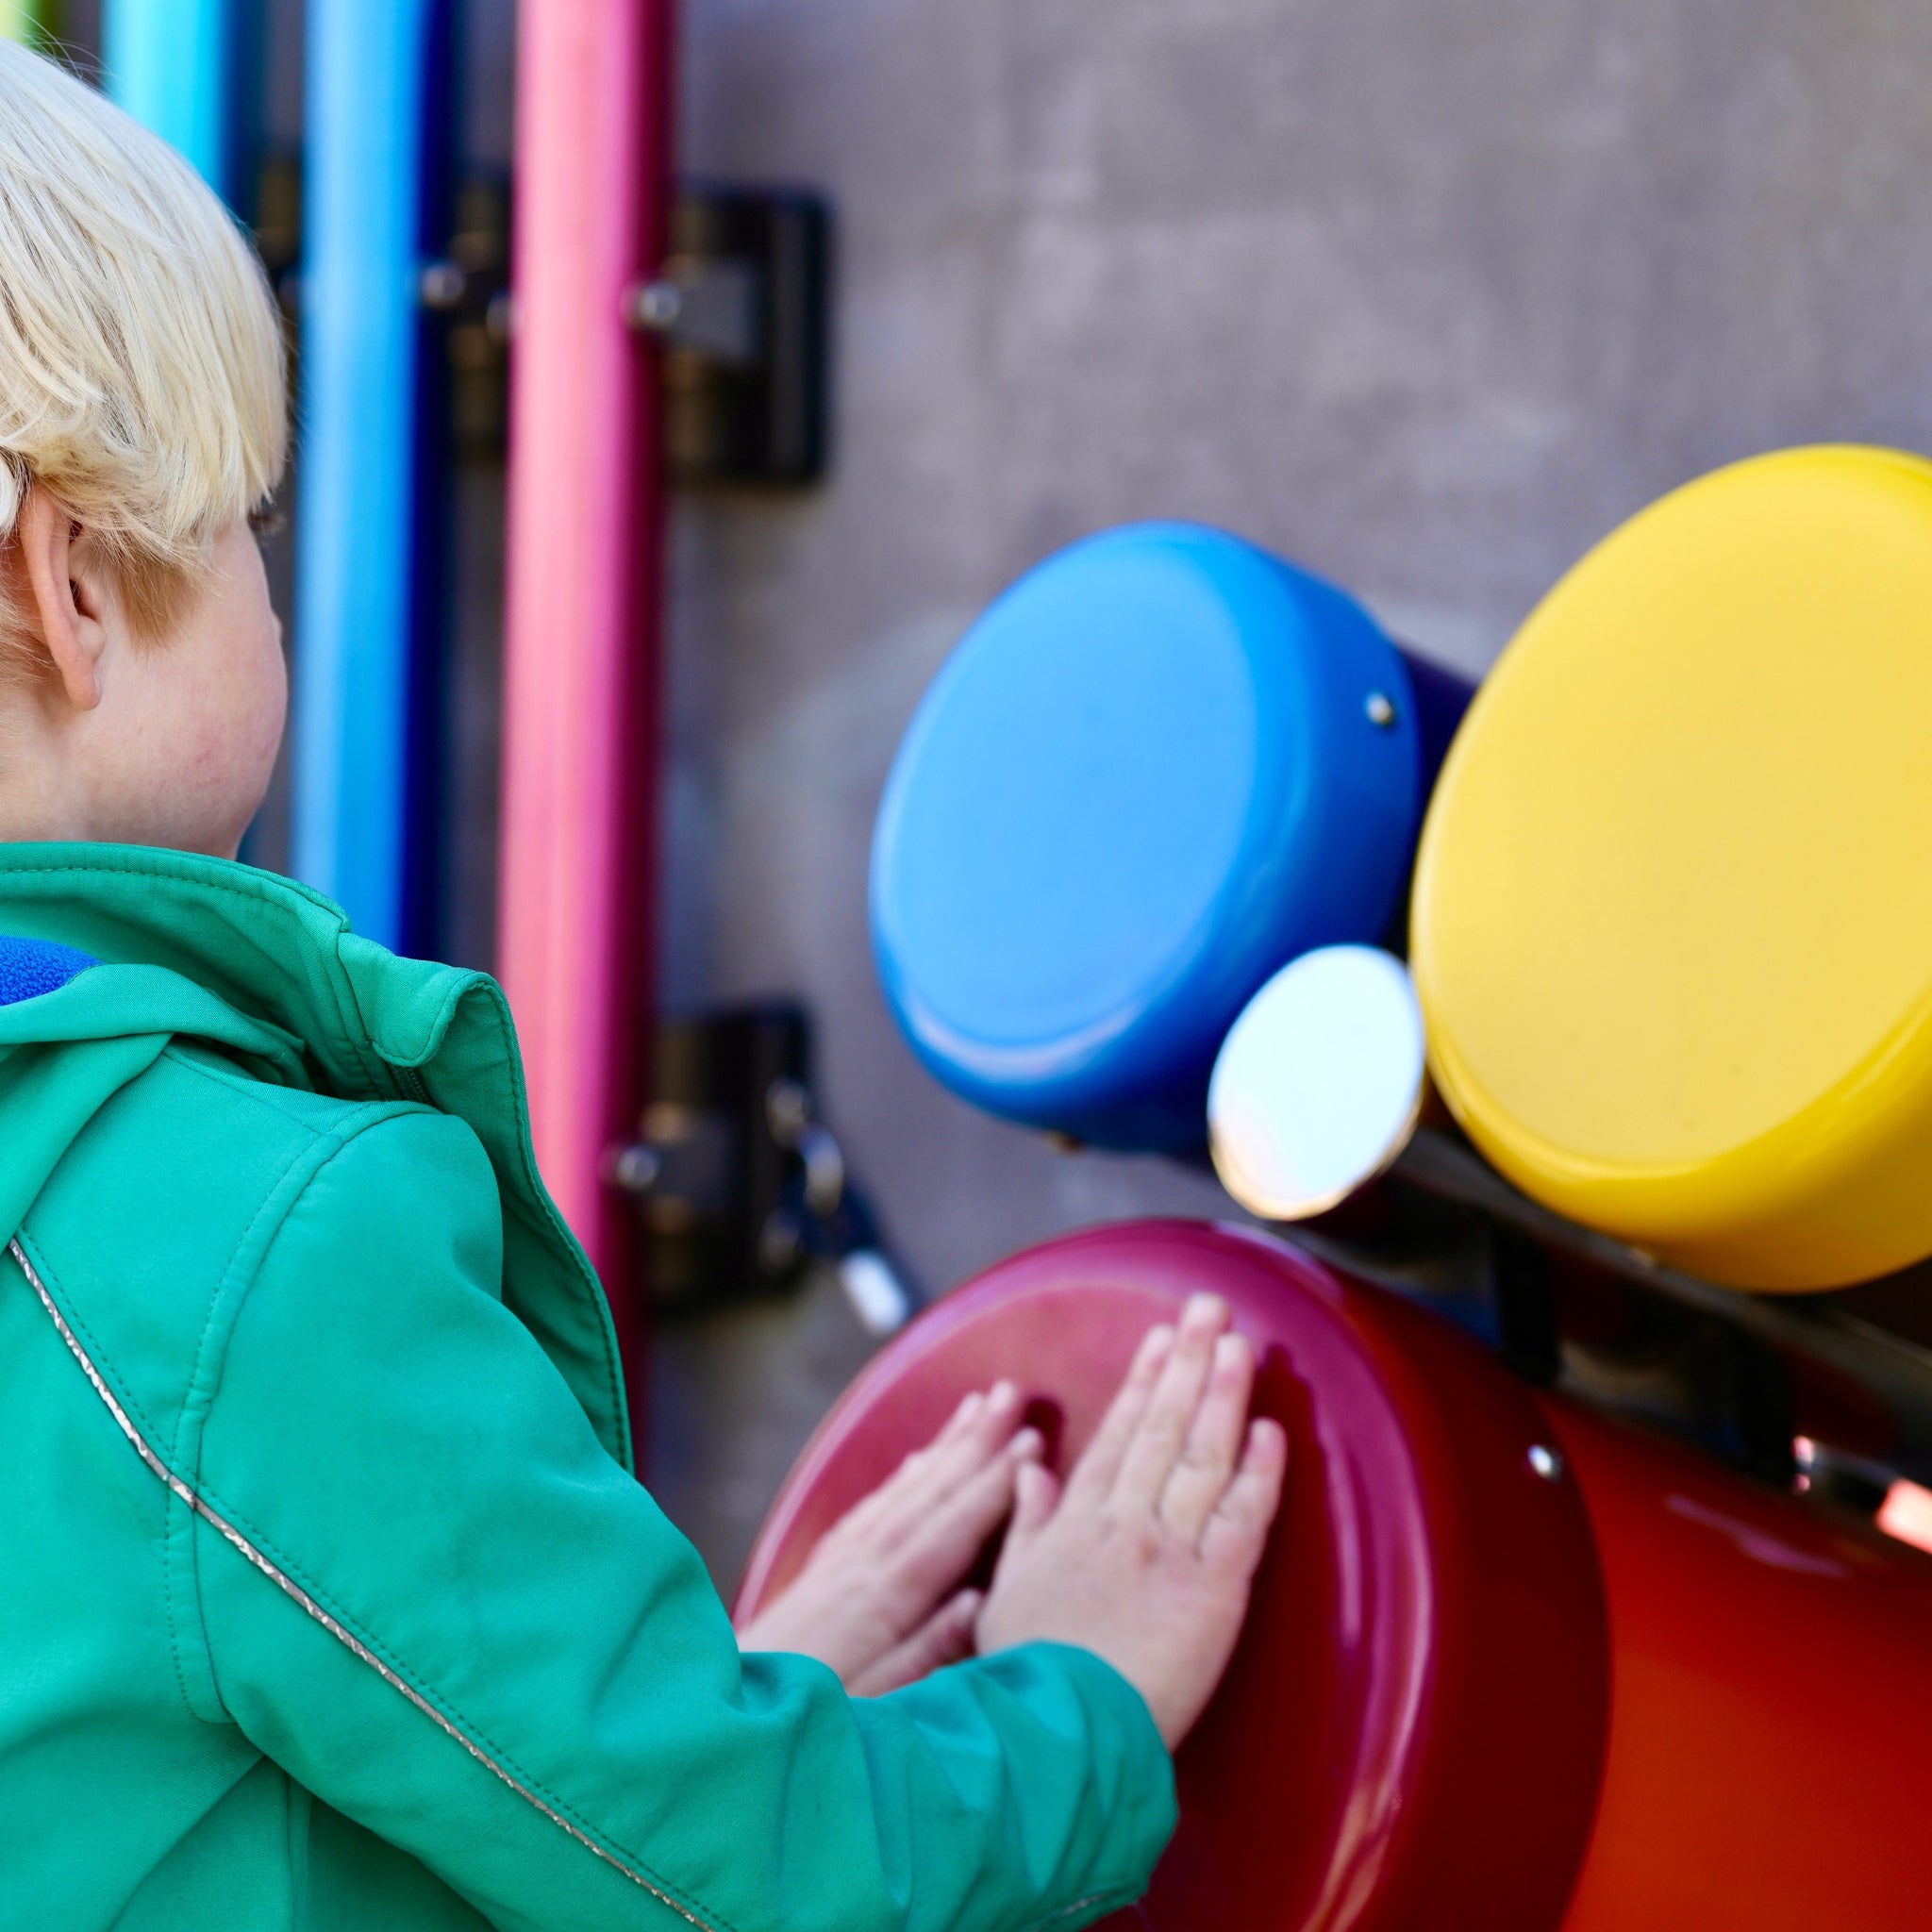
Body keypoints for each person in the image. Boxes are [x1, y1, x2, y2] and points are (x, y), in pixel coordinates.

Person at [0, 40, 1286, 1932]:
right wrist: (1082, 1703)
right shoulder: (231, 1244)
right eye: (246, 529)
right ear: (75, 583)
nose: (276, 588)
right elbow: (762, 1898)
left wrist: (696, 1722)